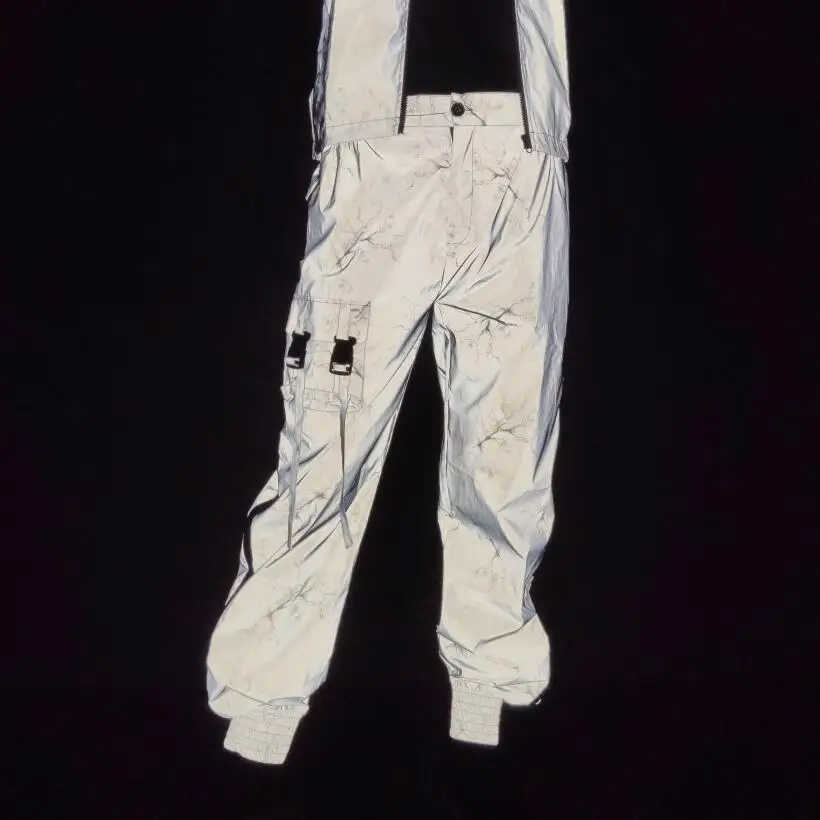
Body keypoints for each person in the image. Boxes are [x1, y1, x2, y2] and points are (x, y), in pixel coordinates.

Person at [205, 0, 572, 764]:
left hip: (521, 145)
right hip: (378, 143)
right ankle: (264, 692)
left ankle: (490, 674)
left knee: (507, 446)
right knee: (325, 442)